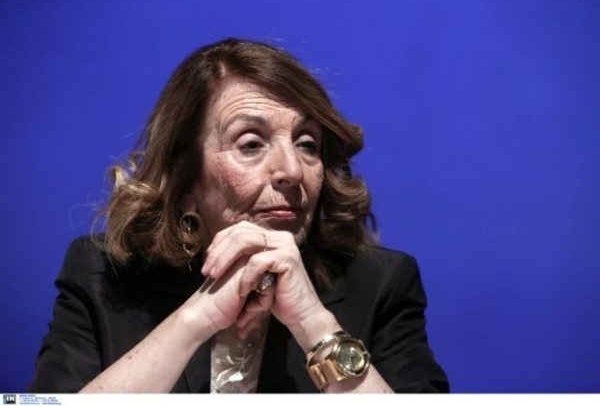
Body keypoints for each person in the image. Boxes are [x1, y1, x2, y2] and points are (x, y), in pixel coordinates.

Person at [28, 37, 449, 393]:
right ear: (185, 182)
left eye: (307, 143)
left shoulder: (380, 286)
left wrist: (314, 324)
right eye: (250, 144)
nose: (292, 170)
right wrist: (196, 319)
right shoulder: (101, 275)